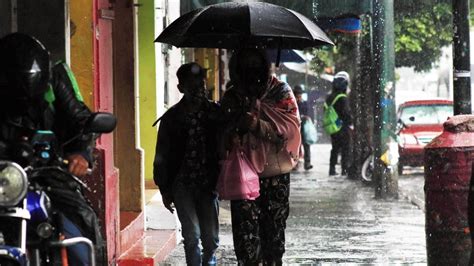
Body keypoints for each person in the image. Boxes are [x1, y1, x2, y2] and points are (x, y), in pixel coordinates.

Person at [0, 32, 103, 265]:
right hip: (4, 176)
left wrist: (80, 153)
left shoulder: (56, 78)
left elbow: (81, 121)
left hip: (46, 171)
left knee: (80, 225)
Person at [220, 48, 301, 265]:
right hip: (243, 177)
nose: (251, 71)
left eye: (256, 65)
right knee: (245, 237)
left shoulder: (280, 93)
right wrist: (234, 132)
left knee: (273, 235)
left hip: (275, 175)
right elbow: (221, 132)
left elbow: (290, 132)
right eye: (245, 65)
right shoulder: (232, 97)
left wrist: (258, 125)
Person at [153, 62, 220, 266]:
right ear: (180, 87)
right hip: (182, 185)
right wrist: (164, 189)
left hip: (208, 184)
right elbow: (162, 154)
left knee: (210, 238)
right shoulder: (172, 118)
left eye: (199, 83)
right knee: (192, 236)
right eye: (190, 84)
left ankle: (209, 261)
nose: (196, 88)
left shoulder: (215, 114)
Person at [325, 71, 353, 176]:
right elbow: (346, 113)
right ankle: (344, 169)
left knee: (335, 148)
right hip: (342, 127)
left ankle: (331, 169)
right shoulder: (342, 97)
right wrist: (350, 122)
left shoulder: (330, 97)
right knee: (346, 148)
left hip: (333, 127)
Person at [293, 85, 313, 170]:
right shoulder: (292, 103)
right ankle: (294, 163)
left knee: (306, 145)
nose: (299, 97)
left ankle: (307, 163)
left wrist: (304, 117)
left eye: (300, 95)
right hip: (294, 128)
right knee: (295, 146)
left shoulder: (304, 103)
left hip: (303, 127)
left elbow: (308, 114)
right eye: (297, 95)